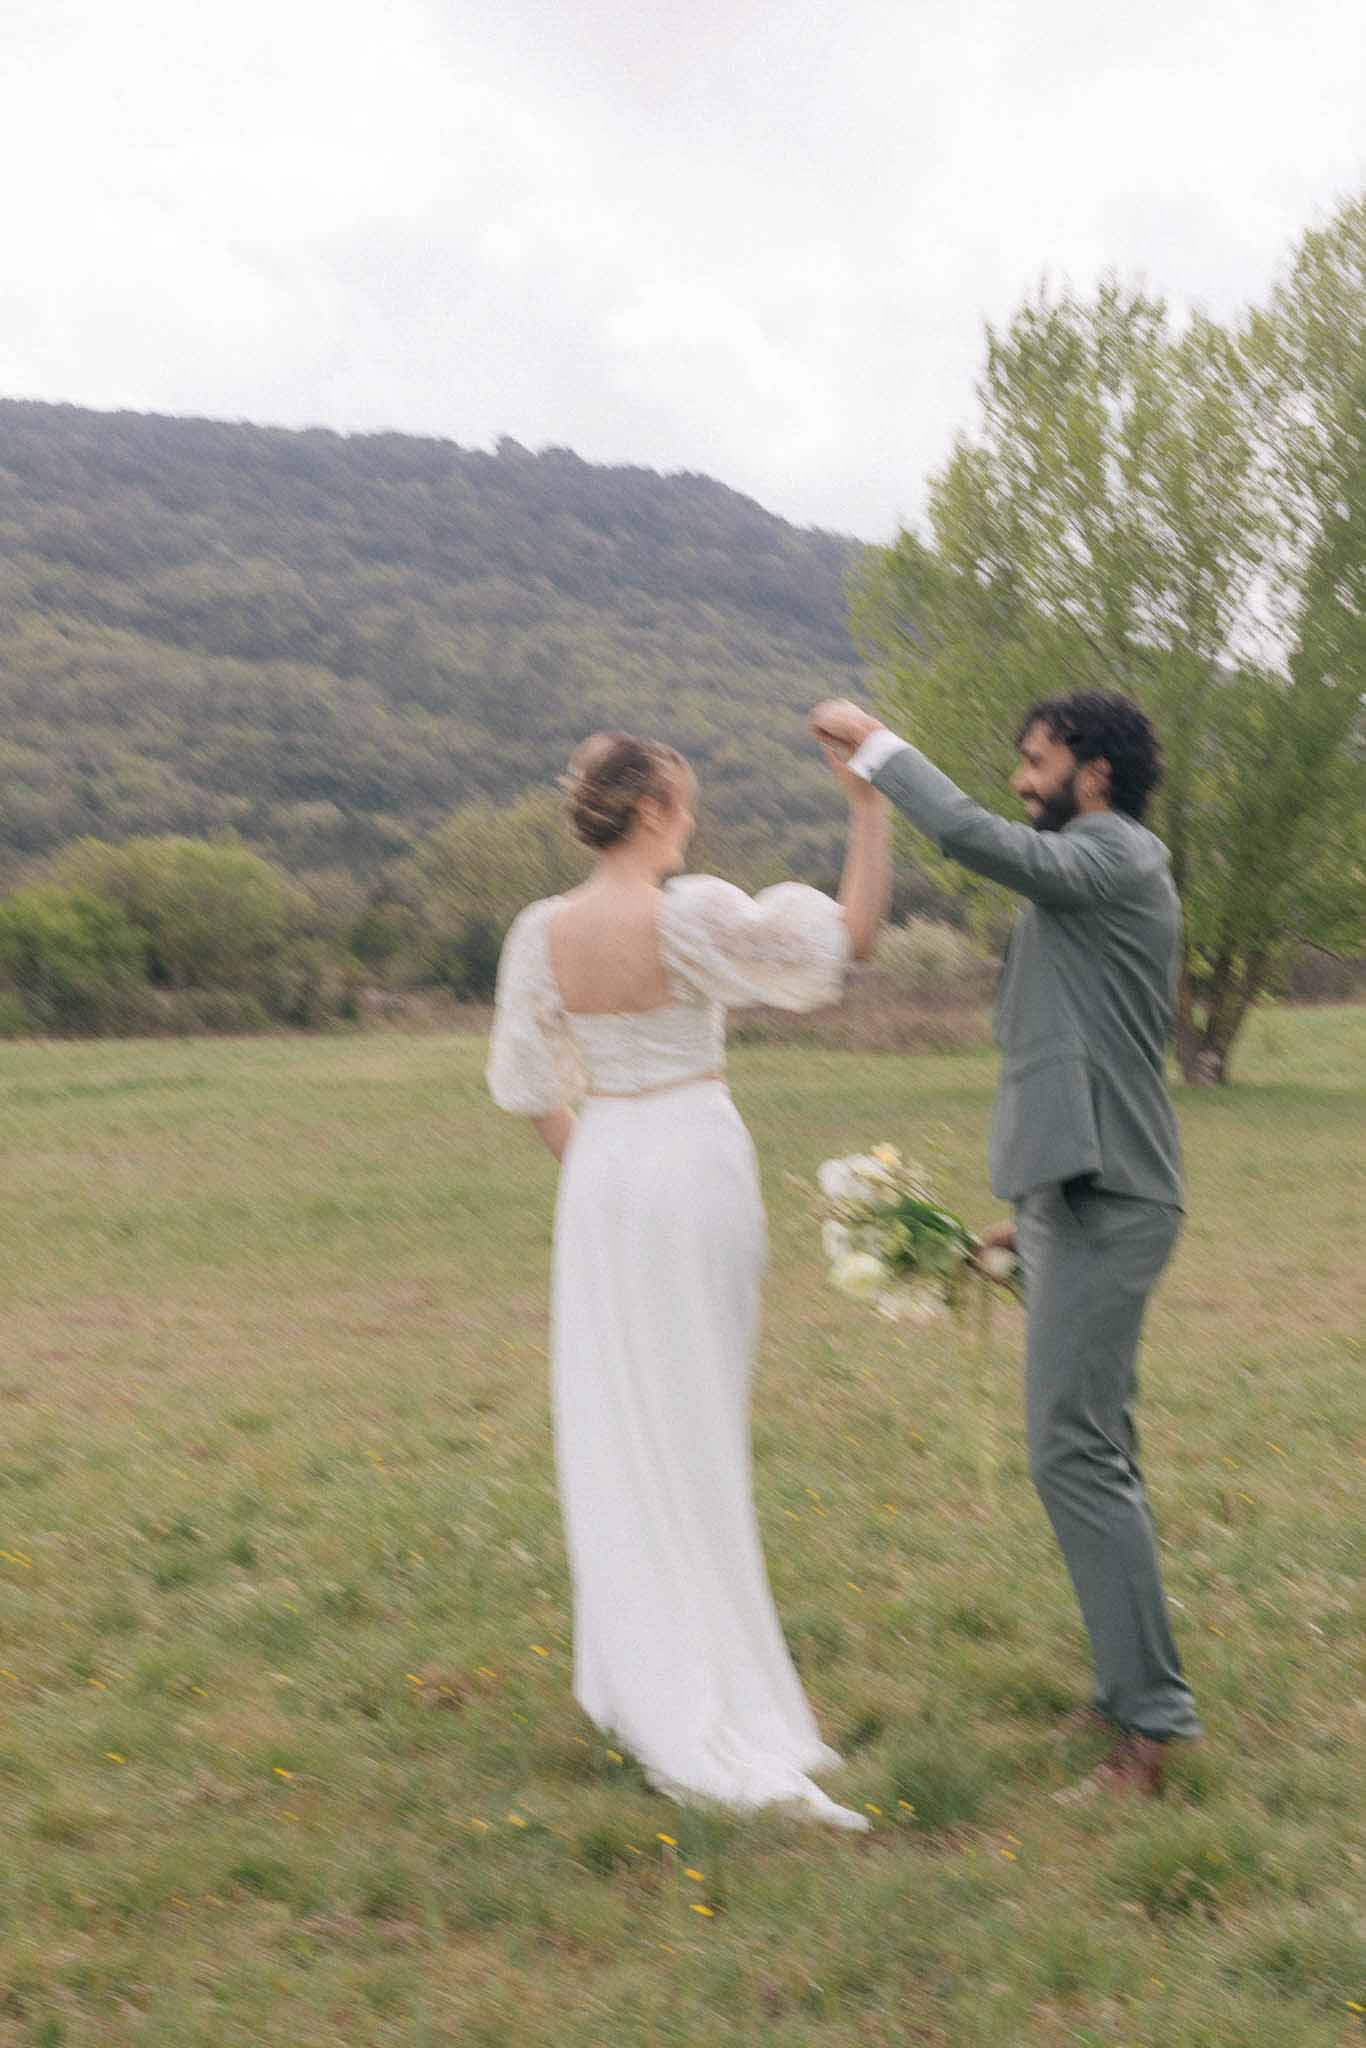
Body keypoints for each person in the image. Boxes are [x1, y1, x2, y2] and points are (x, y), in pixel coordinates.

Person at [486, 731, 890, 1827]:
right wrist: (867, 807)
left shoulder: (540, 931)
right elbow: (840, 941)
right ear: (659, 805)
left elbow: (526, 1082)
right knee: (697, 1425)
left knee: (623, 1423)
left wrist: (607, 1164)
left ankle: (652, 1668)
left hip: (606, 1170)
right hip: (695, 1158)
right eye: (689, 796)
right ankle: (712, 1684)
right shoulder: (692, 911)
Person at [811, 690, 1202, 1797]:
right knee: (1093, 1453)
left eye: (1035, 761)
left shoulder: (1116, 852)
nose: (1021, 780)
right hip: (1077, 1194)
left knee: (1072, 1455)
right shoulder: (1086, 867)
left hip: (1112, 1198)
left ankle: (1152, 1729)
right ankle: (1129, 1694)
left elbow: (974, 837)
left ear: (1096, 773)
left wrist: (881, 749)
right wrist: (1021, 1212)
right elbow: (1070, 1046)